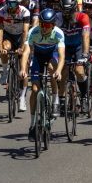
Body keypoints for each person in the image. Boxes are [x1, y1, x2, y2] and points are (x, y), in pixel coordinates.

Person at [19, 9, 65, 141]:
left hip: (52, 55)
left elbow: (62, 56)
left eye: (47, 25)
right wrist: (23, 69)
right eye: (42, 24)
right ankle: (33, 124)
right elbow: (26, 52)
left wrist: (59, 71)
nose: (44, 28)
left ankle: (55, 99)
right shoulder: (34, 31)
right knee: (34, 90)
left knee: (51, 68)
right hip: (38, 57)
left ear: (53, 25)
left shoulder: (58, 33)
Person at [57, 0, 92, 113]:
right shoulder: (58, 18)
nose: (66, 14)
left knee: (79, 71)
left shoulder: (83, 17)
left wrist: (85, 55)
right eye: (64, 11)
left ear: (75, 9)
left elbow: (86, 36)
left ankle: (84, 97)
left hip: (78, 46)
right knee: (63, 72)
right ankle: (61, 100)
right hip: (64, 47)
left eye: (69, 11)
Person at [0, 0, 31, 87]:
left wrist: (22, 47)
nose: (10, 6)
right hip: (9, 35)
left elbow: (25, 31)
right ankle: (5, 71)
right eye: (8, 3)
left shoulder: (25, 12)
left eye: (13, 3)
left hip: (21, 36)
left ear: (18, 3)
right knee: (5, 48)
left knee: (24, 65)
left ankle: (23, 97)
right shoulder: (1, 12)